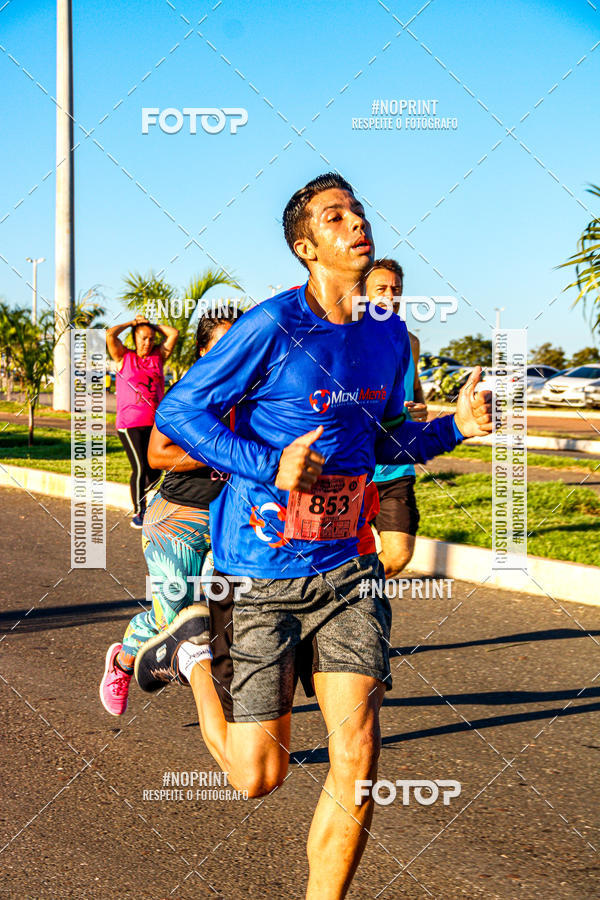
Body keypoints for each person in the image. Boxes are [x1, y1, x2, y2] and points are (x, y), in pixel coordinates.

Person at [134, 173, 492, 900]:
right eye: (336, 217)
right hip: (257, 575)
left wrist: (458, 427)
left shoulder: (388, 336)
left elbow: (387, 438)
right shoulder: (269, 326)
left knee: (356, 757)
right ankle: (192, 653)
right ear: (307, 246)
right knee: (254, 777)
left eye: (358, 211)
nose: (356, 223)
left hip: (346, 573)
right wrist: (268, 463)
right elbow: (177, 414)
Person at [100, 312, 234, 716]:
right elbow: (158, 455)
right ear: (204, 350)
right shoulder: (189, 393)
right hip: (173, 520)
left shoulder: (257, 396)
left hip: (227, 521)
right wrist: (223, 452)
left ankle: (233, 710)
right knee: (173, 622)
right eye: (222, 345)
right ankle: (124, 661)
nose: (233, 354)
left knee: (215, 618)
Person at [366, 258, 428, 577]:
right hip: (354, 470)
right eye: (381, 289)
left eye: (396, 289)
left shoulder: (410, 341)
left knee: (399, 554)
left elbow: (415, 389)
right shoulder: (347, 338)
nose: (390, 296)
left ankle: (346, 591)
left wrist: (420, 410)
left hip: (396, 469)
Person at [106, 315, 179, 528]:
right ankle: (139, 511)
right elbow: (110, 334)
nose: (147, 342)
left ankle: (140, 494)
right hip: (129, 424)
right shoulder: (123, 357)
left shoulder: (158, 358)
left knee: (155, 470)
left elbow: (173, 333)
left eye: (151, 338)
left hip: (154, 423)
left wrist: (151, 325)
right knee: (139, 467)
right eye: (143, 338)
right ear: (135, 339)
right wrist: (133, 323)